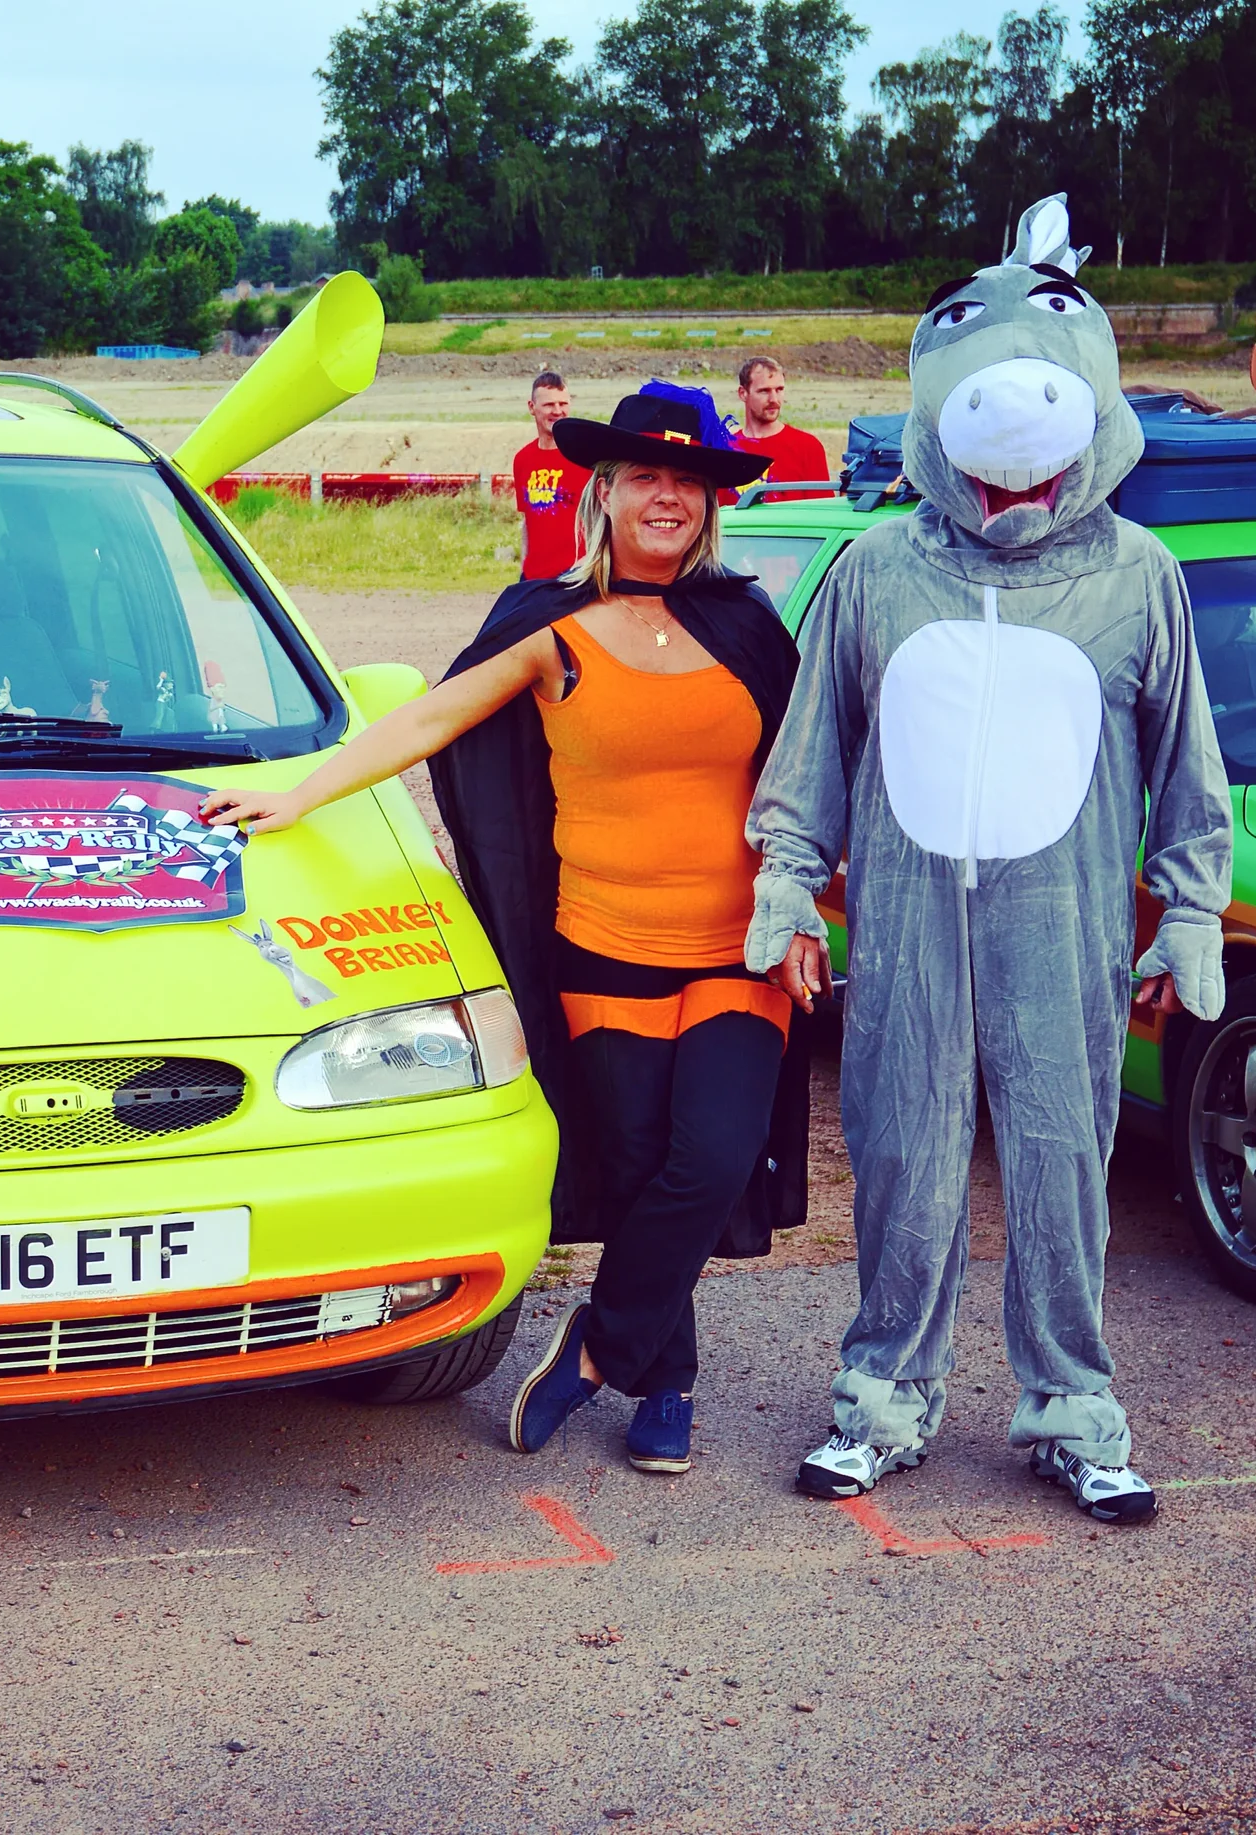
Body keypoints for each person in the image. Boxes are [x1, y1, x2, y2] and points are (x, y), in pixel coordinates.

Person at [204, 383, 806, 1476]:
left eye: (688, 479)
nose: (665, 495)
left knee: (712, 1157)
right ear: (604, 489)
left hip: (736, 948)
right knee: (630, 1168)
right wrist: (299, 790)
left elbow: (812, 774)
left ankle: (597, 1348)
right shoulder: (548, 624)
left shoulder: (750, 627)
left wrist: (812, 898)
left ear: (710, 501)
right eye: (643, 476)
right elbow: (430, 716)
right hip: (599, 946)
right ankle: (665, 1378)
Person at [746, 196, 1230, 1525]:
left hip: (1062, 922)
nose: (1013, 469)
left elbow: (1188, 767)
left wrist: (1189, 909)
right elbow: (815, 752)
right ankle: (882, 1395)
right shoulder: (877, 571)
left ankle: (1072, 1403)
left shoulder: (1138, 576)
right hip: (902, 922)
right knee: (901, 1149)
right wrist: (789, 881)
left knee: (1064, 1152)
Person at [512, 371, 591, 580]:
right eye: (549, 405)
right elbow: (528, 522)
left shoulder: (586, 455)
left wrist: (589, 566)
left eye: (563, 404)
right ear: (532, 407)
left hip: (576, 574)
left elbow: (608, 520)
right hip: (533, 578)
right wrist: (523, 568)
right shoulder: (523, 459)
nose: (558, 411)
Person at [725, 358, 830, 505]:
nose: (774, 399)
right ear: (743, 393)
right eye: (764, 391)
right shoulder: (725, 450)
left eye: (779, 390)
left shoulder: (807, 447)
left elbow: (821, 513)